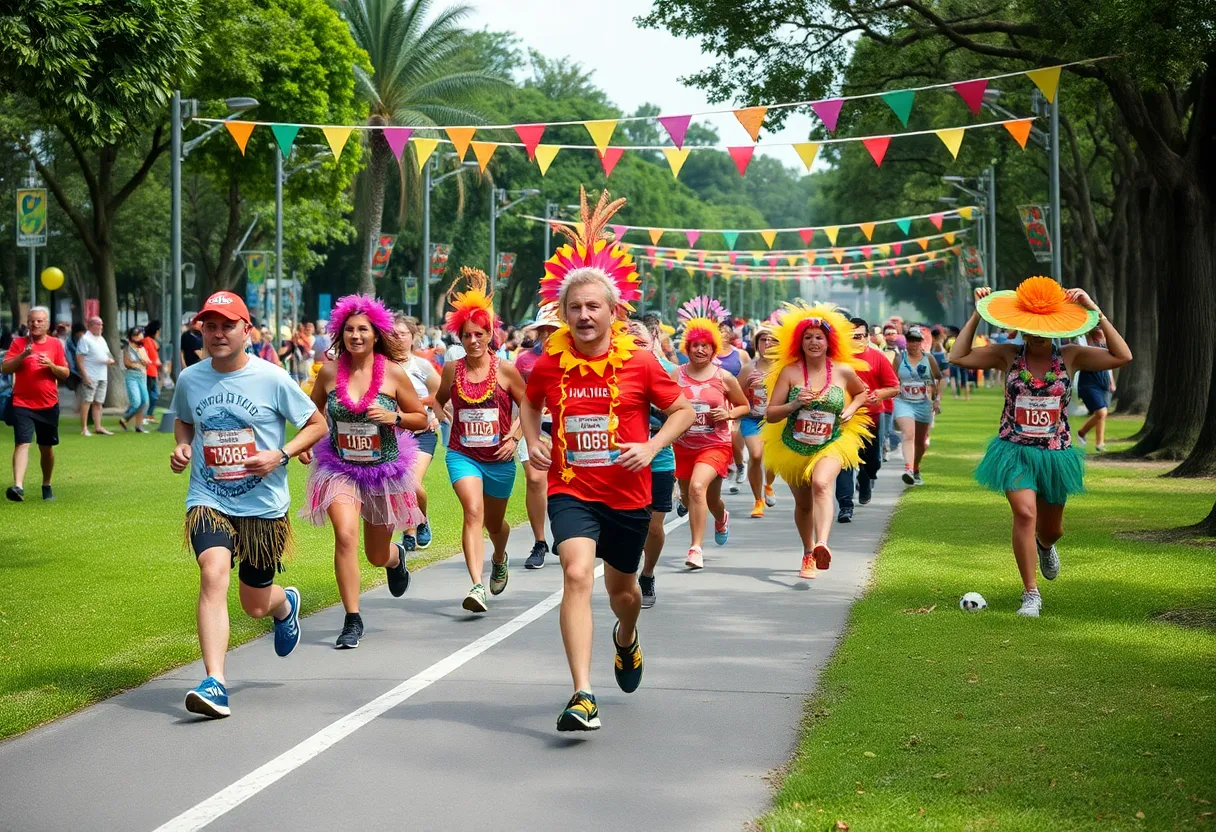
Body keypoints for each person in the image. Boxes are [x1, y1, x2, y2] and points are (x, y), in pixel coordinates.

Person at [521, 187, 693, 731]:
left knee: (624, 594)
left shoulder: (641, 362)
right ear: (563, 313)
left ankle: (626, 637)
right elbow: (529, 402)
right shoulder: (549, 364)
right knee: (575, 574)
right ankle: (582, 693)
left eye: (593, 306)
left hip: (629, 496)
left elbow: (684, 409)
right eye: (574, 307)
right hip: (571, 490)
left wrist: (651, 446)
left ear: (614, 312)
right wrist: (533, 439)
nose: (584, 314)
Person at [169, 291, 327, 716]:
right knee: (212, 572)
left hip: (263, 507)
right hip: (209, 497)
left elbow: (317, 423)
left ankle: (283, 604)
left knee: (254, 605)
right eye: (210, 326)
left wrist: (282, 453)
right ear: (200, 330)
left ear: (246, 331)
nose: (217, 334)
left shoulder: (272, 378)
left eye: (227, 325)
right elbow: (184, 420)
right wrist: (183, 448)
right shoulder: (191, 379)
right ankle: (215, 682)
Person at [950, 278, 1131, 616]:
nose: (1036, 334)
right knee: (1024, 513)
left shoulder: (1071, 355)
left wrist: (1094, 310)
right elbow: (957, 356)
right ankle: (1030, 594)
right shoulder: (1007, 354)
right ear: (1020, 327)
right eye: (1029, 328)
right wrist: (977, 314)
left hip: (1056, 454)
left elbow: (1122, 356)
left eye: (1043, 328)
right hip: (1014, 450)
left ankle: (1045, 546)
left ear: (1056, 326)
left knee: (1052, 528)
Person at [301, 296, 426, 649]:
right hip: (338, 468)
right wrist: (306, 443)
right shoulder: (328, 372)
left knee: (374, 554)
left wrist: (395, 417)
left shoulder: (393, 373)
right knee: (345, 535)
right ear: (340, 333)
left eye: (363, 330)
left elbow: (421, 418)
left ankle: (395, 558)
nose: (356, 336)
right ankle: (352, 618)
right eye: (350, 330)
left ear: (375, 334)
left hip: (383, 471)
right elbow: (313, 415)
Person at [434, 268, 527, 613]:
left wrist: (515, 436)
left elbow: (529, 405)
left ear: (490, 334)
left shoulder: (505, 369)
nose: (473, 340)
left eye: (479, 334)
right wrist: (439, 412)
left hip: (500, 459)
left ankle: (500, 556)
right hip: (463, 454)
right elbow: (438, 398)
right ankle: (476, 585)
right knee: (472, 512)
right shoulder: (451, 369)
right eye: (466, 335)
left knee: (494, 523)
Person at [762, 303, 871, 579]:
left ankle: (822, 542)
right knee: (803, 504)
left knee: (822, 484)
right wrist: (794, 403)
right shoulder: (790, 372)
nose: (813, 342)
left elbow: (861, 393)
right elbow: (771, 414)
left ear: (828, 341)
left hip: (831, 442)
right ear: (799, 342)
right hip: (794, 445)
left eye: (819, 337)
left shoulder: (843, 370)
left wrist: (849, 409)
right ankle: (808, 551)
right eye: (808, 337)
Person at [672, 298, 750, 569]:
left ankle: (695, 548)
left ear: (713, 348)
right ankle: (721, 516)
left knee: (697, 488)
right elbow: (665, 405)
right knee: (695, 496)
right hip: (683, 446)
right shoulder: (676, 376)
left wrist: (728, 414)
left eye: (705, 345)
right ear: (688, 348)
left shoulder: (723, 377)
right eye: (695, 345)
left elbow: (744, 406)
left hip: (715, 444)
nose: (700, 350)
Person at [627, 320, 678, 609]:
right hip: (624, 461)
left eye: (640, 336)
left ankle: (647, 574)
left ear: (653, 339)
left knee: (654, 527)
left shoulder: (670, 372)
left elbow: (681, 415)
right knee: (630, 523)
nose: (634, 339)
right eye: (627, 334)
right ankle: (625, 575)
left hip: (659, 459)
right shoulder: (613, 369)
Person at [3, 307, 70, 502]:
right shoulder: (18, 343)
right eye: (32, 321)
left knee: (46, 447)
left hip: (48, 404)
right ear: (27, 322)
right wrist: (23, 355)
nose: (35, 324)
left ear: (47, 324)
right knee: (22, 443)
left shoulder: (55, 344)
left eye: (40, 321)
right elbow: (5, 367)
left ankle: (46, 484)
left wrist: (51, 365)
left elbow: (65, 373)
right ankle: (18, 486)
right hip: (21, 403)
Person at [835, 317, 899, 521]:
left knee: (873, 460)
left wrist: (879, 394)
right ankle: (845, 505)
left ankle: (865, 477)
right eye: (851, 336)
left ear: (867, 337)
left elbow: (894, 387)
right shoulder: (837, 359)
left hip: (872, 416)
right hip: (844, 419)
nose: (856, 340)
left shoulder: (877, 357)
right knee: (844, 462)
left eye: (860, 336)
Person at [515, 303, 561, 570]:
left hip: (567, 428)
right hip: (534, 426)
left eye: (554, 329)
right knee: (535, 479)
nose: (549, 335)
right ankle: (540, 541)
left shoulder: (577, 356)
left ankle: (564, 530)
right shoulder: (525, 360)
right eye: (544, 330)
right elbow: (520, 398)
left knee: (564, 482)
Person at [394, 315, 442, 554]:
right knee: (401, 484)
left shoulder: (421, 366)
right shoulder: (382, 366)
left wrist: (427, 409)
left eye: (403, 334)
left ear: (413, 338)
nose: (398, 338)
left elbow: (441, 393)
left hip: (422, 432)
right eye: (393, 334)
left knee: (411, 482)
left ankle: (421, 518)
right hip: (393, 433)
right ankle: (408, 532)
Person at [891, 326, 943, 486]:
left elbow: (939, 378)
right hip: (903, 401)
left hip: (923, 403)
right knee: (908, 434)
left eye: (916, 340)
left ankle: (915, 467)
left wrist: (936, 399)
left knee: (920, 442)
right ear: (906, 342)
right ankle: (909, 468)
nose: (913, 344)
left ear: (921, 342)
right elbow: (892, 380)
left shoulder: (929, 359)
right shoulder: (899, 358)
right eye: (910, 340)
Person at [739, 325, 780, 517]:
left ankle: (769, 484)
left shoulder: (785, 368)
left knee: (772, 460)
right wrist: (748, 387)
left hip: (776, 420)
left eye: (773, 340)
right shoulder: (749, 369)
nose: (768, 343)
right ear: (757, 344)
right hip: (752, 419)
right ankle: (758, 500)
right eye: (763, 340)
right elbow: (735, 394)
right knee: (755, 455)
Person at [715, 317, 747, 494]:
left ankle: (740, 464)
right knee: (720, 440)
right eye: (718, 330)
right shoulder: (709, 353)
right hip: (715, 402)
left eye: (724, 330)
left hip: (735, 401)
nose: (722, 333)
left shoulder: (740, 354)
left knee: (734, 440)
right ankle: (727, 470)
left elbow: (750, 375)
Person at [1076, 327, 1115, 451]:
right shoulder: (1084, 345)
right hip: (1088, 383)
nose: (1100, 337)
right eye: (1098, 334)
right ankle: (1088, 436)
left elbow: (1109, 366)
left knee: (1102, 414)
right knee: (1101, 412)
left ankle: (1097, 441)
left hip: (1103, 383)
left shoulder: (1106, 348)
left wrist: (1111, 381)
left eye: (1102, 334)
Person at [76, 315, 115, 436]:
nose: (100, 327)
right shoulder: (85, 339)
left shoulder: (101, 339)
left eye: (101, 324)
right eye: (98, 324)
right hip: (91, 374)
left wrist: (110, 359)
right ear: (90, 326)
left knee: (98, 402)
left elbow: (108, 354)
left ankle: (98, 426)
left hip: (102, 375)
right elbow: (79, 358)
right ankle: (84, 428)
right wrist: (85, 375)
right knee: (87, 400)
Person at [118, 327, 151, 432]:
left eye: (140, 334)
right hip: (132, 376)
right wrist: (139, 364)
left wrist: (143, 363)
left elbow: (147, 362)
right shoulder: (127, 348)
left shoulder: (142, 348)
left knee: (145, 402)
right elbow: (127, 363)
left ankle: (138, 425)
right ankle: (125, 418)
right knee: (136, 402)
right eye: (136, 335)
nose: (139, 336)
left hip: (142, 375)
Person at [143, 320, 162, 424]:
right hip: (149, 371)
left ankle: (149, 414)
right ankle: (146, 414)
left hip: (153, 371)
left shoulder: (151, 341)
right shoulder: (147, 340)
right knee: (152, 394)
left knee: (153, 394)